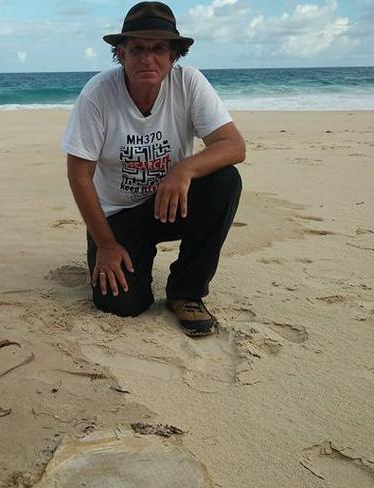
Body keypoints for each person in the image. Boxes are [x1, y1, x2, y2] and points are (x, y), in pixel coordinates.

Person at [62, 2, 245, 337]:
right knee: (122, 304)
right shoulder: (98, 94)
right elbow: (79, 174)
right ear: (120, 53)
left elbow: (234, 146)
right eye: (137, 49)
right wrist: (105, 244)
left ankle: (186, 292)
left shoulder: (189, 82)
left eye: (159, 48)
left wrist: (184, 169)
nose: (148, 58)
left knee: (224, 180)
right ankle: (126, 254)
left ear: (174, 55)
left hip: (171, 204)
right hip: (117, 215)